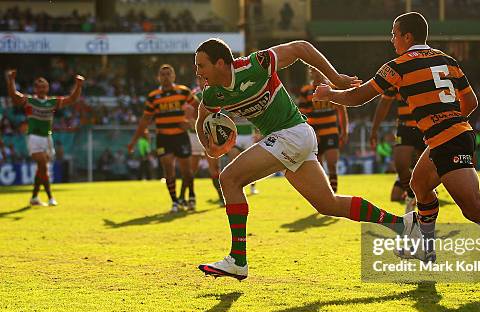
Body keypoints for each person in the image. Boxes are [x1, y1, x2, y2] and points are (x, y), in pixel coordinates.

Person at [313, 12, 480, 285]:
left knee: (473, 207)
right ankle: (427, 249)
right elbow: (471, 103)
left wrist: (329, 94)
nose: (392, 39)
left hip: (447, 140)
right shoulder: (448, 61)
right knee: (420, 185)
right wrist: (448, 122)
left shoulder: (398, 66)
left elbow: (358, 96)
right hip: (449, 136)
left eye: (394, 34)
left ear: (407, 37)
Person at [193, 38, 409, 280]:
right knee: (328, 204)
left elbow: (301, 48)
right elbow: (202, 117)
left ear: (221, 63)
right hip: (296, 138)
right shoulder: (213, 94)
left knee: (229, 179)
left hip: (291, 134)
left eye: (201, 66)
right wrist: (209, 147)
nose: (198, 72)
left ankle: (238, 259)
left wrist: (336, 79)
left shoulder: (255, 64)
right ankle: (402, 224)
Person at [5, 69, 84, 206]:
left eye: (44, 86)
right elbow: (13, 96)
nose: (41, 89)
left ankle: (34, 197)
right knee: (42, 165)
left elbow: (72, 99)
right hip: (34, 137)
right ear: (35, 89)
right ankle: (50, 197)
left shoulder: (52, 102)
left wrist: (78, 85)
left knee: (42, 170)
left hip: (47, 138)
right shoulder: (30, 101)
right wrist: (11, 80)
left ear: (47, 88)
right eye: (39, 87)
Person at [128, 64, 198, 213]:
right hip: (163, 137)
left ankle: (191, 195)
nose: (165, 77)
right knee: (168, 169)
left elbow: (197, 108)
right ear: (158, 78)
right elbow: (145, 120)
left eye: (168, 74)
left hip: (181, 136)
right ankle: (175, 201)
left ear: (174, 76)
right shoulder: (153, 96)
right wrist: (133, 141)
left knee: (186, 171)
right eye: (162, 74)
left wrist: (191, 123)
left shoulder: (183, 92)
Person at [371, 88, 425, 210]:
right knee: (400, 166)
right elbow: (384, 103)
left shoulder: (430, 72)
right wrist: (374, 129)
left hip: (426, 126)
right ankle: (412, 195)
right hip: (404, 127)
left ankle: (426, 200)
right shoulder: (396, 75)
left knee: (426, 170)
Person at [298, 67, 348, 192]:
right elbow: (303, 115)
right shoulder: (306, 91)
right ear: (310, 73)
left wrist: (344, 130)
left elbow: (342, 110)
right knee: (318, 167)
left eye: (317, 70)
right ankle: (325, 193)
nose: (316, 73)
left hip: (331, 131)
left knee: (332, 163)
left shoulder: (332, 88)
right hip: (315, 134)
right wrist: (312, 133)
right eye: (313, 71)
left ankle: (333, 193)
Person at [184, 76, 224, 207]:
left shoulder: (216, 93)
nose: (203, 82)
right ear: (197, 81)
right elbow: (186, 115)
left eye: (205, 79)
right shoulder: (193, 95)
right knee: (192, 168)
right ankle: (187, 197)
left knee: (215, 168)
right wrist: (191, 123)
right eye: (200, 79)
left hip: (210, 135)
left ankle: (221, 198)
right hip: (195, 136)